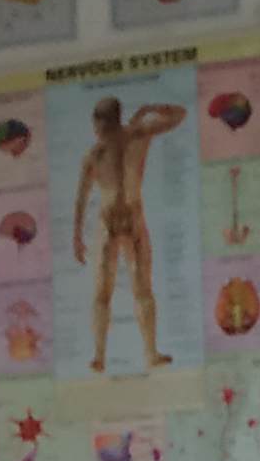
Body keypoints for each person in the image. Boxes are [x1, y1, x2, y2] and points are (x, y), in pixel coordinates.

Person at [71, 96, 187, 375]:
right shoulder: (95, 155)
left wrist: (149, 108)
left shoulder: (138, 134)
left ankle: (151, 352)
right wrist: (76, 234)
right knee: (103, 291)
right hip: (108, 222)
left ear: (107, 121)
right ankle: (99, 355)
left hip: (134, 219)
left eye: (99, 121)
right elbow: (82, 197)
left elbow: (179, 115)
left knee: (142, 287)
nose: (96, 128)